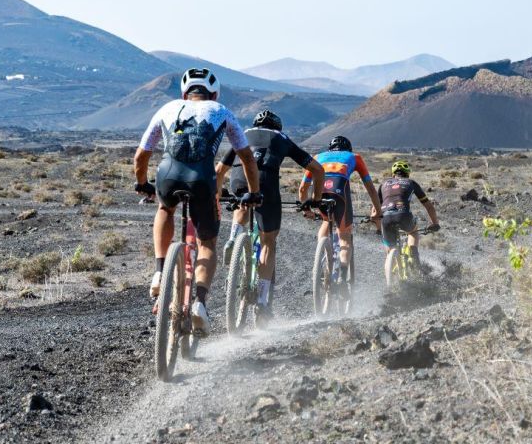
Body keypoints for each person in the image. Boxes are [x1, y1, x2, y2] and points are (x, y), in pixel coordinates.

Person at [133, 68, 262, 336]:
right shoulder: (222, 111)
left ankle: (159, 271)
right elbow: (248, 159)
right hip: (202, 180)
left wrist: (143, 183)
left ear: (184, 92)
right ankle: (200, 303)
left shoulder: (167, 108)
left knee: (165, 208)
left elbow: (141, 155)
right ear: (213, 92)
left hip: (167, 177)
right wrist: (254, 191)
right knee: (207, 244)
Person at [215, 109, 325, 325]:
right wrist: (315, 200)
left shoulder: (242, 133)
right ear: (277, 126)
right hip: (265, 182)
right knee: (268, 242)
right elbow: (317, 169)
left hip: (238, 177)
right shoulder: (281, 137)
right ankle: (263, 302)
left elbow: (219, 170)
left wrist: (217, 195)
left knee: (242, 201)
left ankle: (233, 238)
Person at [298, 135, 382, 284]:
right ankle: (343, 276)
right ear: (348, 149)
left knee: (326, 220)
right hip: (339, 196)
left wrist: (306, 210)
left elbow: (302, 188)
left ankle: (322, 260)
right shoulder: (354, 157)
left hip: (319, 195)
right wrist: (377, 211)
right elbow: (370, 188)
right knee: (344, 236)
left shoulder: (318, 156)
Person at [377, 160, 439, 265]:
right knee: (413, 232)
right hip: (404, 215)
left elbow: (375, 210)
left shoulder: (383, 184)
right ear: (408, 174)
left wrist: (378, 227)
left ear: (393, 175)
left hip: (386, 218)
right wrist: (435, 223)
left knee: (389, 247)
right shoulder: (411, 183)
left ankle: (390, 272)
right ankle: (413, 253)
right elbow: (428, 206)